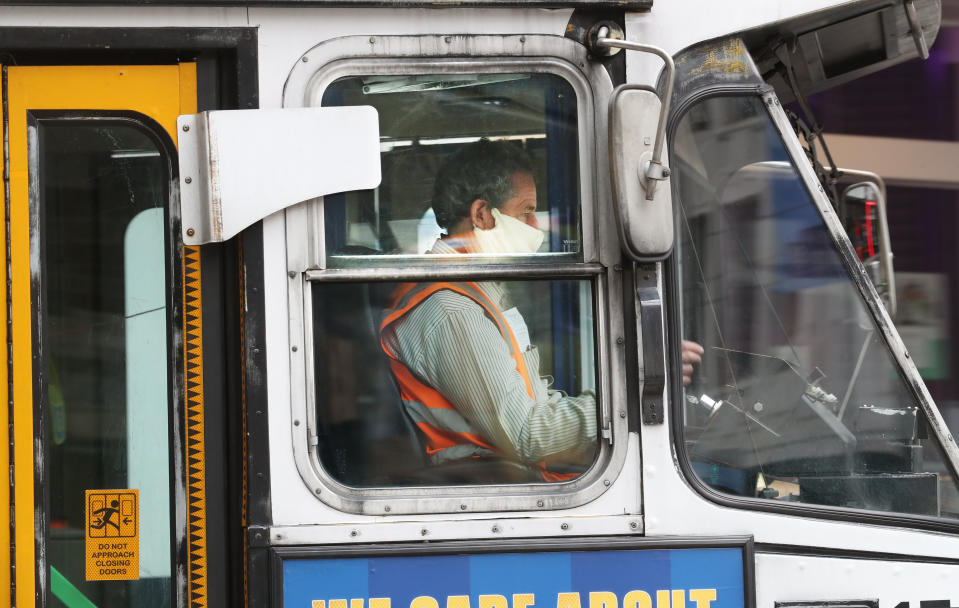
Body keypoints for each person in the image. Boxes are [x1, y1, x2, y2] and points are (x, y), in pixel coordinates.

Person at [379, 139, 697, 481]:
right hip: (492, 487)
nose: (536, 227)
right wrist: (631, 394)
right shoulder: (452, 309)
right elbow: (526, 436)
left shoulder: (474, 291)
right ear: (482, 215)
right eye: (526, 211)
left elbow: (531, 406)